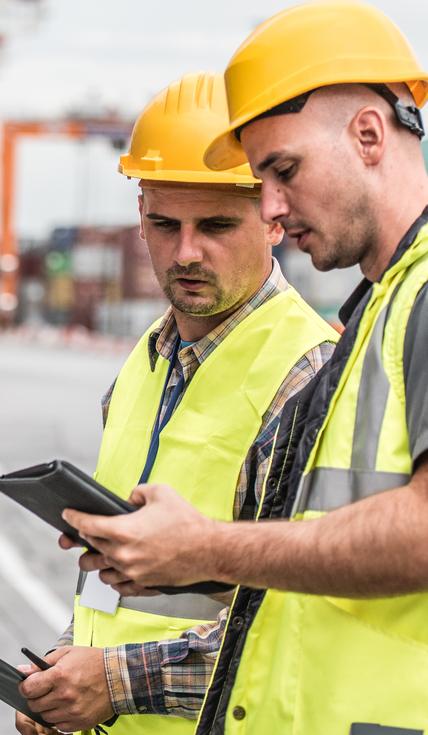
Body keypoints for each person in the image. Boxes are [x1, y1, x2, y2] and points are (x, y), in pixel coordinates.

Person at [59, 2, 428, 733]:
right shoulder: (374, 314)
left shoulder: (393, 310)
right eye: (263, 179)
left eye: (283, 170)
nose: (276, 207)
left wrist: (204, 548)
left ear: (368, 134)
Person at [16, 71, 336, 735]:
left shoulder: (308, 376)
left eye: (216, 224)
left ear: (274, 218)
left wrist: (112, 680)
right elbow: (109, 584)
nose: (185, 252)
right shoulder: (140, 366)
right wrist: (65, 673)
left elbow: (304, 624)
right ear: (139, 215)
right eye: (165, 223)